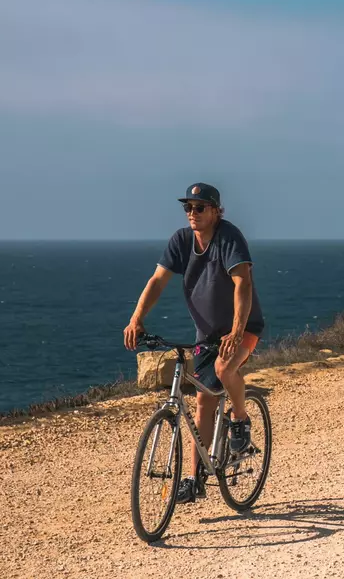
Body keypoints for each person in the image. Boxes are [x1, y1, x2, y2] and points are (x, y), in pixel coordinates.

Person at [123, 183, 265, 504]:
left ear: (216, 211)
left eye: (199, 207)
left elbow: (243, 283)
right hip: (207, 334)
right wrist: (136, 319)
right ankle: (193, 477)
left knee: (224, 367)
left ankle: (240, 421)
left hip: (243, 327)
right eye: (188, 207)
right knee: (202, 402)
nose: (192, 213)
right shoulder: (181, 241)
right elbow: (158, 280)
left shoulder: (229, 238)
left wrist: (236, 331)